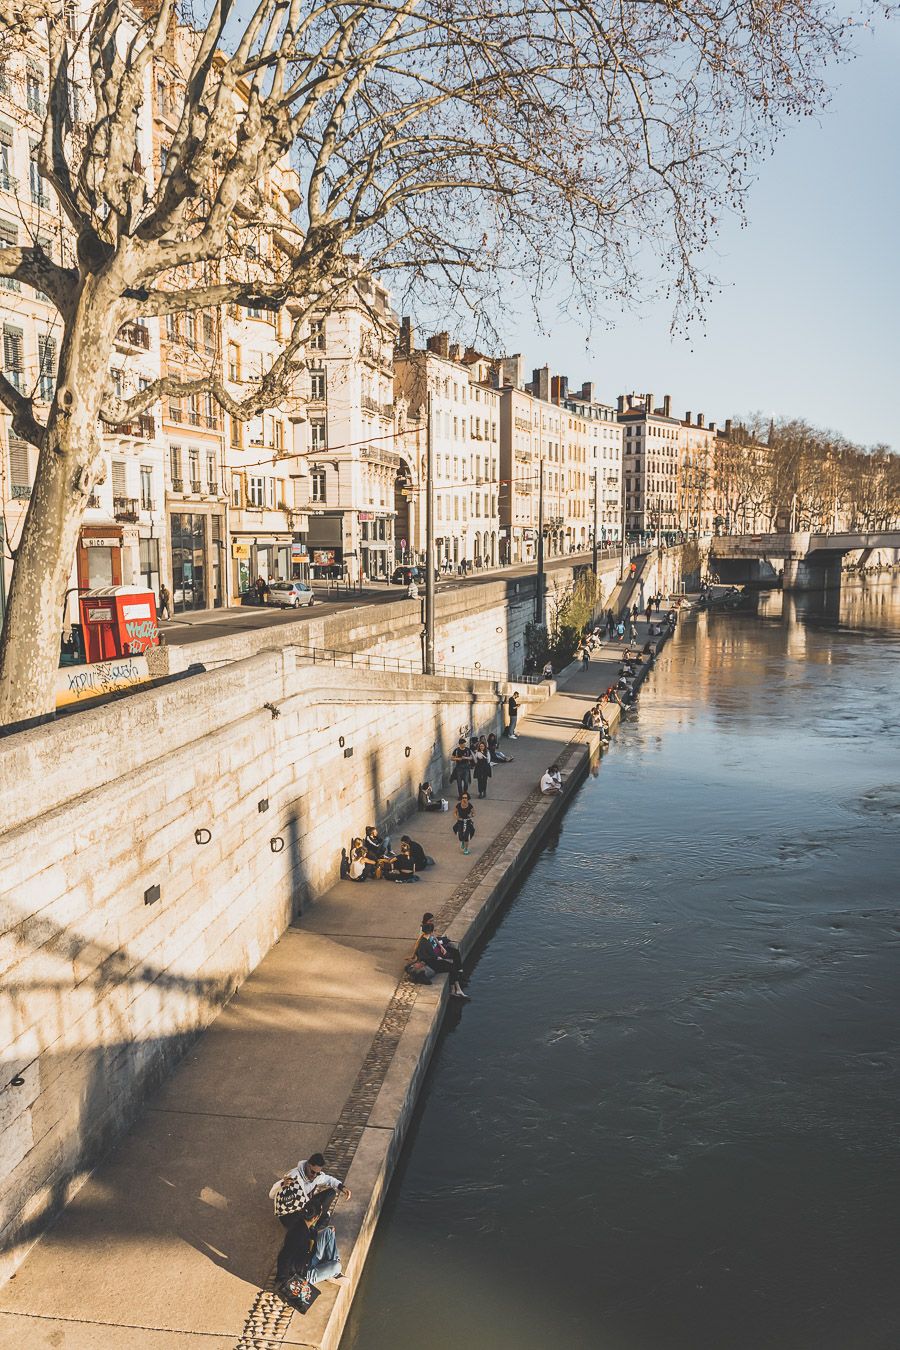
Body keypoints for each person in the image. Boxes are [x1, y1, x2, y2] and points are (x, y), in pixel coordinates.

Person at [269, 1153, 351, 1224]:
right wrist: (282, 1184)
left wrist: (342, 1187)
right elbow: (271, 1195)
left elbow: (329, 1179)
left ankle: (317, 1220)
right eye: (312, 1172)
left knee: (331, 1193)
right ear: (308, 1165)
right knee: (303, 1225)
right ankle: (313, 1224)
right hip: (291, 1212)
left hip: (306, 1205)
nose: (314, 1175)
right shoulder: (293, 1176)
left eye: (317, 1173)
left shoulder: (316, 1176)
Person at [414, 919, 468, 998]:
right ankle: (455, 990)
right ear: (431, 932)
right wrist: (441, 958)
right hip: (433, 963)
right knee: (452, 967)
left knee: (452, 966)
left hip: (431, 960)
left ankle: (456, 989)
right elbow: (434, 956)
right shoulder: (427, 943)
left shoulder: (423, 940)